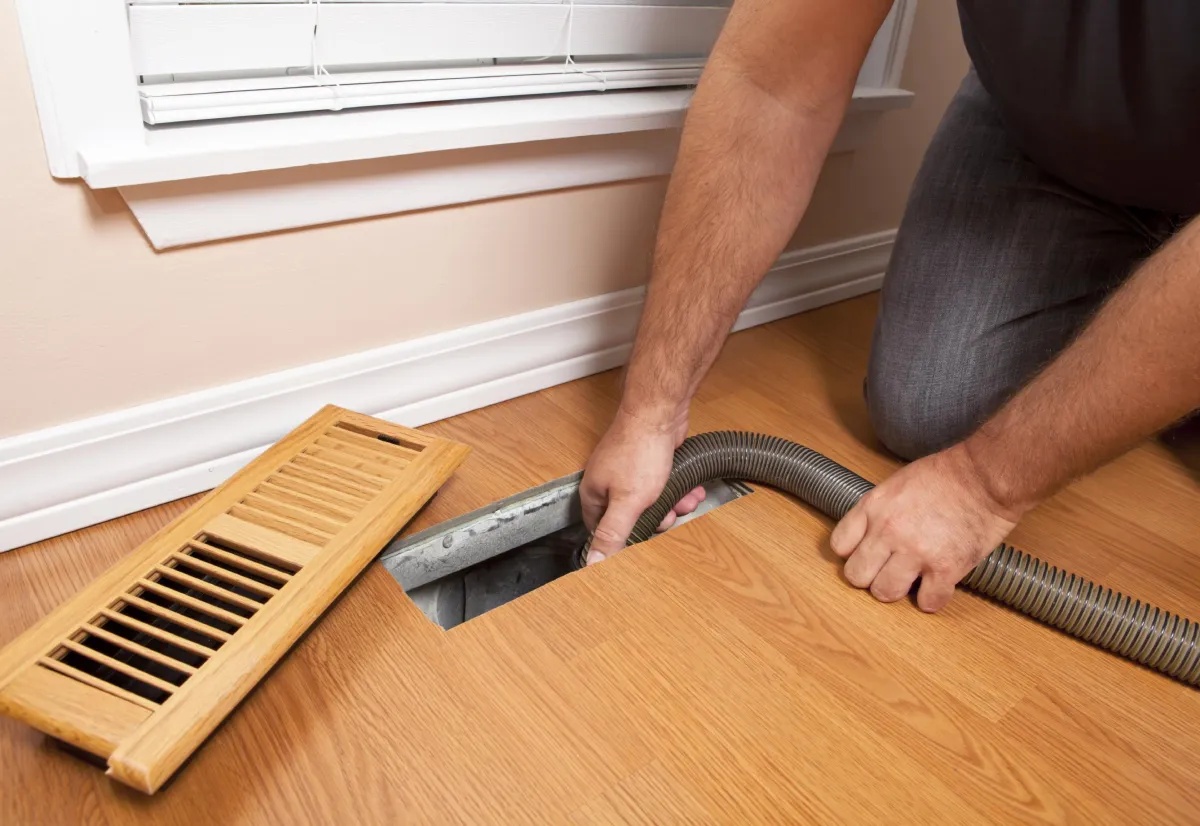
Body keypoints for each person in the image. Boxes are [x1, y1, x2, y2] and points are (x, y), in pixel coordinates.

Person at [578, 1, 1200, 611]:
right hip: (1052, 132)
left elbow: (981, 487)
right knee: (928, 406)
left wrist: (981, 488)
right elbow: (772, 85)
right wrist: (650, 414)